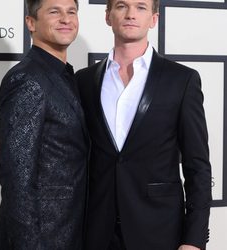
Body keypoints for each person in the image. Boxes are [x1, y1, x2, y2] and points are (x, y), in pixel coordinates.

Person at [75, 0, 212, 249]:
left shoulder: (181, 80)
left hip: (159, 230)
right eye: (121, 6)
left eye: (140, 7)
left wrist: (193, 240)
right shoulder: (83, 82)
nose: (130, 14)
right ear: (108, 16)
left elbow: (198, 167)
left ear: (154, 19)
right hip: (96, 232)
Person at [0, 0, 89, 249]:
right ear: (30, 23)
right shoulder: (27, 79)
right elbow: (17, 179)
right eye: (55, 12)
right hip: (40, 240)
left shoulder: (66, 77)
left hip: (68, 233)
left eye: (71, 12)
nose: (66, 19)